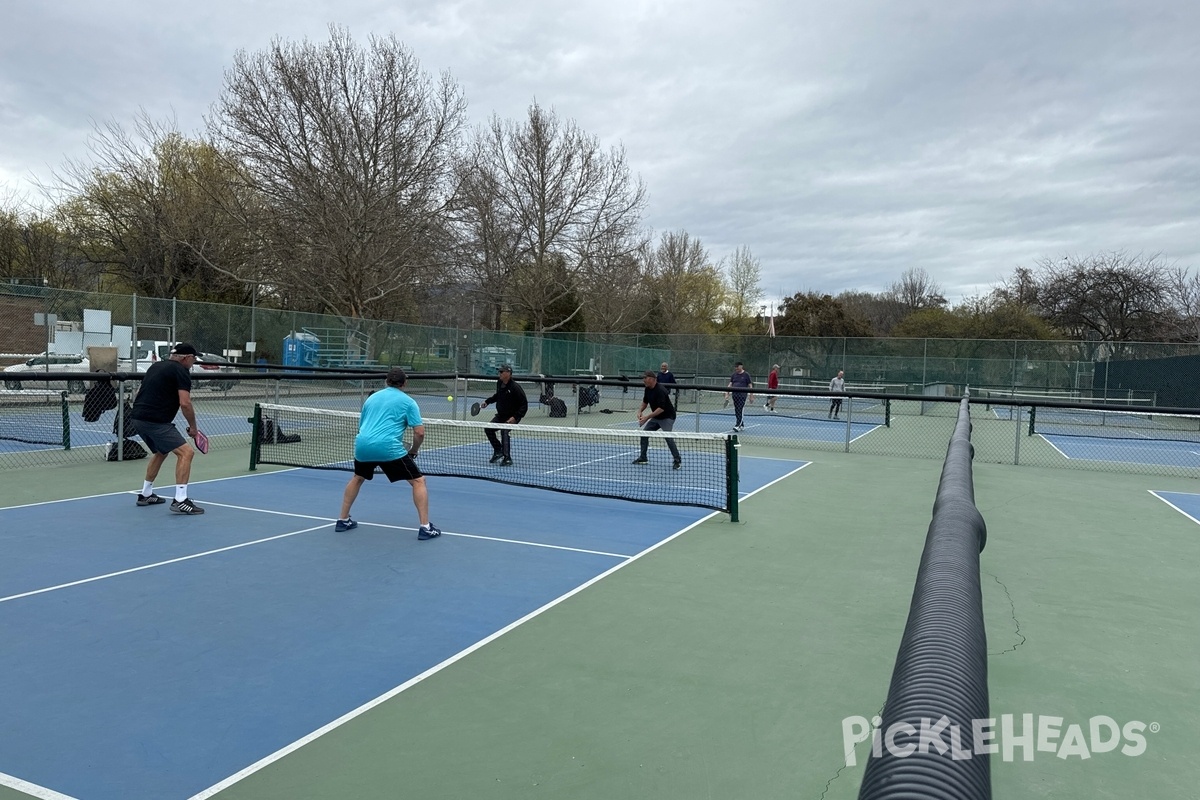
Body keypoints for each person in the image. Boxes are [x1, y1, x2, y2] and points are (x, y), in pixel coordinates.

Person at [335, 366, 441, 540]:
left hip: (363, 444)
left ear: (386, 381)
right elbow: (420, 432)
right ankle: (425, 527)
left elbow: (362, 426)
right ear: (404, 383)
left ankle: (342, 519)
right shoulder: (408, 402)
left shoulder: (371, 398)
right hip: (388, 447)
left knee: (358, 477)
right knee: (418, 481)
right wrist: (414, 450)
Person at [129, 342, 204, 514]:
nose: (194, 362)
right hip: (155, 421)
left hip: (137, 417)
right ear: (186, 358)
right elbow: (185, 403)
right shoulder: (181, 371)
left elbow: (141, 391)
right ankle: (180, 500)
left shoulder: (156, 367)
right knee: (186, 452)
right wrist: (193, 427)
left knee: (161, 452)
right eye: (193, 358)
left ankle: (146, 494)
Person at [633, 370, 682, 470]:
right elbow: (645, 402)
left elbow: (661, 409)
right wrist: (639, 411)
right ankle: (643, 458)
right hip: (657, 417)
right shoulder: (647, 389)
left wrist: (646, 417)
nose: (643, 380)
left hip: (667, 417)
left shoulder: (660, 390)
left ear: (651, 379)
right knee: (644, 434)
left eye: (645, 378)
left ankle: (677, 460)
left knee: (668, 437)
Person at [480, 364, 527, 466]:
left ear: (508, 374)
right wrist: (487, 402)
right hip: (501, 415)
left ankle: (507, 458)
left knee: (504, 431)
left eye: (502, 372)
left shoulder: (515, 388)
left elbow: (524, 405)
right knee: (488, 429)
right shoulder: (500, 383)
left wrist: (515, 417)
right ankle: (498, 450)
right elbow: (498, 395)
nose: (499, 374)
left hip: (513, 416)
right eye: (499, 372)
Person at [726, 361, 754, 431]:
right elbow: (730, 384)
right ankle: (741, 424)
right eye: (735, 367)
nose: (736, 369)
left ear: (741, 366)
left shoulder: (746, 375)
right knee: (736, 409)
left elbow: (750, 385)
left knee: (740, 409)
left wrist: (751, 396)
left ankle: (737, 425)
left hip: (742, 395)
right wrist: (727, 393)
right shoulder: (734, 375)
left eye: (737, 367)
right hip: (735, 395)